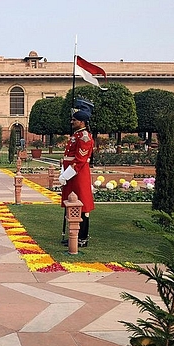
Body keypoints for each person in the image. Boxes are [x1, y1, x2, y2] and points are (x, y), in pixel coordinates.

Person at [59, 98, 95, 248]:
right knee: (72, 205)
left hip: (78, 175)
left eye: (74, 120)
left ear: (82, 122)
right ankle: (74, 234)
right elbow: (68, 156)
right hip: (72, 175)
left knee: (82, 206)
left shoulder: (84, 137)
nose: (71, 122)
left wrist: (66, 175)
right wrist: (63, 171)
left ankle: (82, 238)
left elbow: (79, 161)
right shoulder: (76, 135)